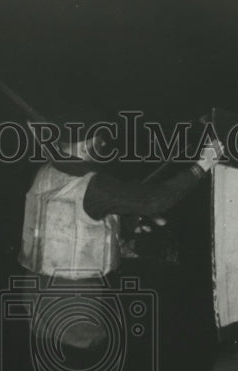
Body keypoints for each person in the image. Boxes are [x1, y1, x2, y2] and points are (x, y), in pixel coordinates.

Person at [19, 120, 223, 348]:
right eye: (99, 140)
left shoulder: (46, 171)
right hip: (73, 294)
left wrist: (124, 222)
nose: (103, 144)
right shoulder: (95, 185)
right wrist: (201, 166)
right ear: (86, 147)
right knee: (83, 361)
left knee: (48, 354)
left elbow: (69, 217)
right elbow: (156, 200)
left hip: (35, 289)